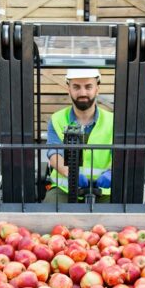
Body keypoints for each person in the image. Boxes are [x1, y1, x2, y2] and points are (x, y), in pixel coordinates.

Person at [43, 67, 113, 204]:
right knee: (49, 214)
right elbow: (54, 153)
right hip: (64, 188)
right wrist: (70, 173)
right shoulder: (57, 119)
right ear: (69, 89)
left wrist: (113, 174)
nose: (82, 92)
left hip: (104, 189)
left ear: (97, 89)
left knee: (119, 218)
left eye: (88, 87)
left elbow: (122, 156)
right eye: (76, 87)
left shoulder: (113, 121)